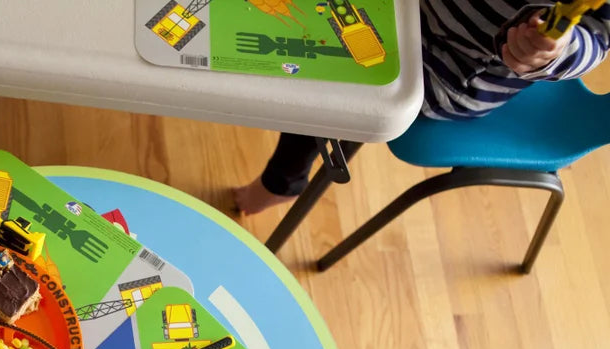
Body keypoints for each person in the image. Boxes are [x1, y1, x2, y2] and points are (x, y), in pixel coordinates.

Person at [235, 1, 610, 215]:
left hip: (449, 67)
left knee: (335, 90)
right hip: (408, 7)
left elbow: (596, 37)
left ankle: (284, 180)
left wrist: (553, 51)